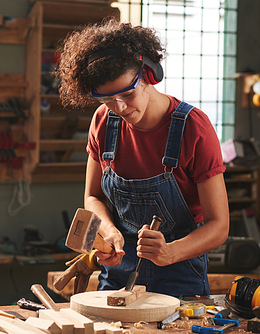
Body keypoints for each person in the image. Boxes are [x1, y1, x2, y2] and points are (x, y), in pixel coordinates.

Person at [55, 18, 229, 297]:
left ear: (149, 74)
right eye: (108, 99)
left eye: (127, 93)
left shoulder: (193, 127)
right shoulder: (103, 122)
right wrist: (109, 233)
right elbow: (94, 197)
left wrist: (170, 252)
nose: (120, 107)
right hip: (118, 267)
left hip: (180, 272)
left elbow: (219, 226)